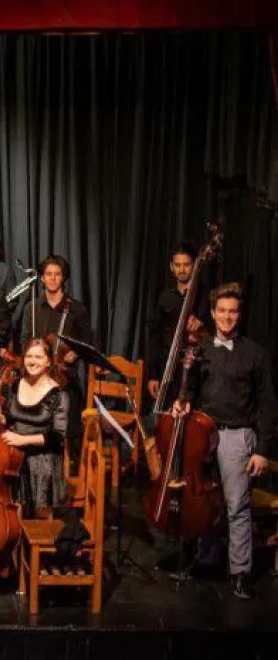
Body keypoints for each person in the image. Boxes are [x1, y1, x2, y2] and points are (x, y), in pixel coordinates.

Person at [172, 283, 275, 599]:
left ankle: (239, 572)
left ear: (239, 315)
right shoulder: (200, 351)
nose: (228, 317)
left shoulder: (255, 354)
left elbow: (267, 404)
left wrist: (261, 452)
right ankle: (206, 559)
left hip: (236, 435)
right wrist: (183, 402)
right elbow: (189, 392)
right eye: (222, 311)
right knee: (205, 503)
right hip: (203, 434)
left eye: (233, 311)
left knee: (236, 506)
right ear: (213, 313)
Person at [20, 255, 93, 469]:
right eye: (48, 274)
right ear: (42, 278)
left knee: (69, 428)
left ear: (63, 278)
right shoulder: (31, 308)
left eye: (57, 274)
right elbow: (24, 339)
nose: (52, 279)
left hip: (64, 379)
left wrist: (74, 354)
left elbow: (86, 341)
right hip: (35, 379)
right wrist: (32, 357)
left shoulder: (76, 309)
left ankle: (71, 477)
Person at [0, 339, 70, 520]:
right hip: (13, 457)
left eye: (38, 357)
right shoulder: (16, 384)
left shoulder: (59, 395)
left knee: (40, 518)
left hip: (42, 461)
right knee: (13, 515)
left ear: (48, 361)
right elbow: (9, 417)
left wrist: (22, 439)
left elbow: (58, 437)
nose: (32, 361)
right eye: (29, 356)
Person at [146, 242, 209, 404]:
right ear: (171, 266)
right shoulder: (164, 297)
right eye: (178, 265)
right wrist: (153, 375)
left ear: (195, 265)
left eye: (187, 264)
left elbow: (214, 336)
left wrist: (201, 328)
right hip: (169, 369)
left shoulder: (205, 297)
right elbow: (155, 338)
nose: (182, 269)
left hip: (198, 371)